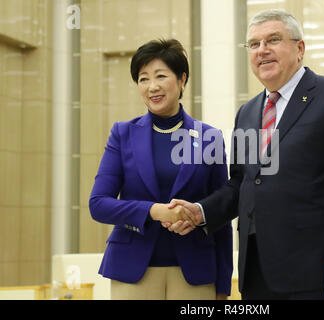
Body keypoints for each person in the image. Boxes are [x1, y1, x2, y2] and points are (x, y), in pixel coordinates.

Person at [166, 9, 324, 300]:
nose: (262, 51)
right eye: (253, 44)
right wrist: (201, 211)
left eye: (273, 40)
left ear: (299, 48)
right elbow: (241, 184)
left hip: (315, 270)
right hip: (256, 270)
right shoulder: (247, 113)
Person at [89, 39, 233, 300]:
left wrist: (223, 286)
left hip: (195, 273)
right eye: (143, 79)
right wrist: (153, 211)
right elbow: (98, 204)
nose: (151, 86)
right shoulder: (122, 134)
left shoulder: (209, 137)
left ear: (181, 80)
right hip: (132, 272)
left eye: (160, 76)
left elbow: (221, 212)